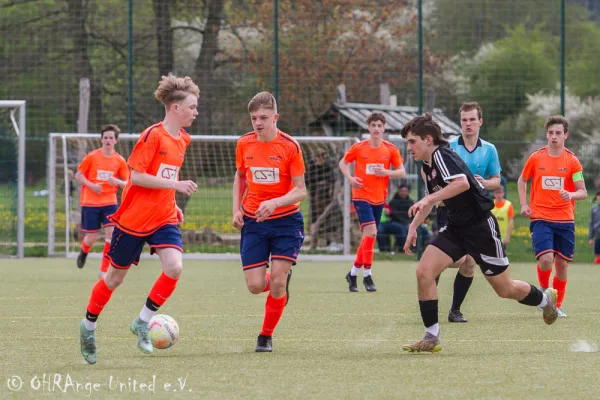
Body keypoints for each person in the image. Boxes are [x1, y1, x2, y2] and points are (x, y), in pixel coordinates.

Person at [400, 113, 558, 353]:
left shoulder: (441, 155)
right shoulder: (427, 165)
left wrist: (428, 198)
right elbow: (432, 203)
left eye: (412, 141)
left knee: (505, 289)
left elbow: (462, 183)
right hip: (456, 228)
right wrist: (413, 227)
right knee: (424, 271)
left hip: (481, 228)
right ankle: (431, 336)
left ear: (428, 140)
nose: (408, 147)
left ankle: (547, 300)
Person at [79, 75, 199, 364]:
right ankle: (88, 327)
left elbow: (167, 175)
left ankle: (143, 321)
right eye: (192, 107)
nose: (196, 112)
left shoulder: (183, 138)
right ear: (174, 108)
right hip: (133, 220)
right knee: (114, 279)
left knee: (174, 267)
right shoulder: (152, 136)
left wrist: (173, 202)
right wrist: (176, 187)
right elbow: (138, 176)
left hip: (163, 218)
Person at [232, 91, 306, 353]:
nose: (258, 123)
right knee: (254, 286)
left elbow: (300, 190)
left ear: (275, 117)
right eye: (254, 118)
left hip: (286, 221)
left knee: (277, 281)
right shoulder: (244, 144)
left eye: (263, 117)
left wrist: (275, 202)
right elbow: (240, 177)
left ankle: (265, 336)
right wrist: (236, 210)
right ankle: (279, 283)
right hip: (254, 221)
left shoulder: (290, 146)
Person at [437, 102, 502, 324]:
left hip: (474, 213)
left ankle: (455, 310)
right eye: (464, 120)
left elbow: (496, 181)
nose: (468, 124)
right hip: (450, 210)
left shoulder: (489, 149)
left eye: (472, 119)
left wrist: (485, 183)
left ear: (480, 121)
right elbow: (437, 179)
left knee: (469, 262)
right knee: (448, 258)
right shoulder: (448, 147)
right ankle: (429, 293)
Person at [518, 115, 587, 318]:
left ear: (565, 135)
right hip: (540, 216)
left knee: (562, 265)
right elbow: (522, 181)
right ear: (546, 135)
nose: (554, 137)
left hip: (565, 219)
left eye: (558, 133)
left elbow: (582, 191)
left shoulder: (572, 162)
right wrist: (524, 204)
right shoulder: (536, 158)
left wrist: (571, 194)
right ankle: (543, 295)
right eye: (550, 133)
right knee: (546, 259)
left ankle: (556, 305)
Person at [339, 113, 405, 292]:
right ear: (368, 128)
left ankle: (352, 274)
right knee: (372, 232)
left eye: (379, 125)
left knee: (370, 237)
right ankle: (367, 275)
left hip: (379, 198)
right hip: (361, 196)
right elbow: (343, 163)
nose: (376, 128)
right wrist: (350, 178)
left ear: (384, 128)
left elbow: (401, 171)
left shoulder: (390, 149)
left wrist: (386, 173)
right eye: (373, 125)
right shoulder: (359, 148)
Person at [75, 124, 129, 278]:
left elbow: (128, 182)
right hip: (90, 202)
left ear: (116, 141)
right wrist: (92, 185)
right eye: (105, 137)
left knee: (111, 235)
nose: (108, 140)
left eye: (111, 138)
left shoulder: (119, 160)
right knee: (91, 237)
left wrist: (116, 182)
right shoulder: (92, 157)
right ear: (101, 139)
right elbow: (78, 175)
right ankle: (84, 251)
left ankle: (104, 270)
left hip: (109, 202)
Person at [306, 148, 336, 247]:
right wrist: (316, 186)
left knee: (326, 217)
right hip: (314, 195)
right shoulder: (311, 168)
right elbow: (308, 181)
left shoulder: (328, 167)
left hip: (326, 196)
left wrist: (326, 185)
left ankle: (328, 242)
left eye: (320, 157)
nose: (318, 159)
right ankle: (313, 241)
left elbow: (332, 180)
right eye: (316, 157)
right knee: (314, 216)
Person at [377, 184, 413, 252]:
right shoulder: (393, 202)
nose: (404, 193)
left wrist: (411, 223)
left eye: (405, 191)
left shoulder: (410, 202)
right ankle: (403, 249)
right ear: (399, 192)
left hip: (407, 223)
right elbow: (392, 215)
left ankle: (417, 249)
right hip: (396, 222)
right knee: (402, 228)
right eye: (402, 191)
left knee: (422, 230)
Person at [490, 186, 514, 250]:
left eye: (500, 193)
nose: (499, 195)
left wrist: (508, 236)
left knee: (503, 253)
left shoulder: (508, 205)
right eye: (497, 193)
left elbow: (511, 221)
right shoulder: (491, 204)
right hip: (492, 234)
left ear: (503, 193)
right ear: (493, 194)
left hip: (503, 235)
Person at [589, 191, 600, 264]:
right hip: (597, 235)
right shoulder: (594, 209)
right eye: (598, 196)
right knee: (597, 254)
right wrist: (590, 238)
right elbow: (591, 223)